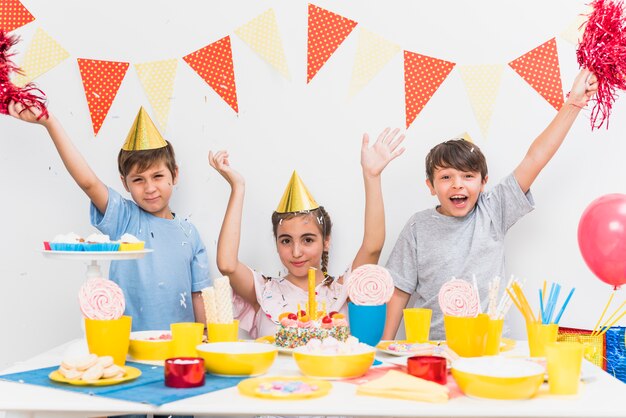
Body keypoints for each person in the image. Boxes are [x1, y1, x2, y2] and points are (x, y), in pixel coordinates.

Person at [382, 68, 599, 341]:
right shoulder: (418, 226)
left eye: (468, 176)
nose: (458, 185)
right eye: (446, 177)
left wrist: (573, 104)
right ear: (430, 186)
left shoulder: (493, 209)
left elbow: (535, 158)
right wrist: (383, 348)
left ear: (484, 182)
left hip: (489, 346)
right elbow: (399, 290)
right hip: (432, 348)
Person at [8, 104, 212, 330]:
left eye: (157, 176)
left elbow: (199, 294)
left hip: (179, 349)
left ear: (174, 174)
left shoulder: (189, 233)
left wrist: (205, 339)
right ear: (125, 183)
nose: (150, 187)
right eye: (138, 180)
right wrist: (50, 122)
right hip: (126, 346)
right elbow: (88, 182)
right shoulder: (125, 218)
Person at [209, 128, 405, 338]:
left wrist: (372, 177)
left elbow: (373, 245)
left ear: (326, 241)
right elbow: (227, 264)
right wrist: (237, 187)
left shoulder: (343, 290)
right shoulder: (265, 292)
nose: (296, 251)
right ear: (276, 243)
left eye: (308, 239)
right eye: (286, 240)